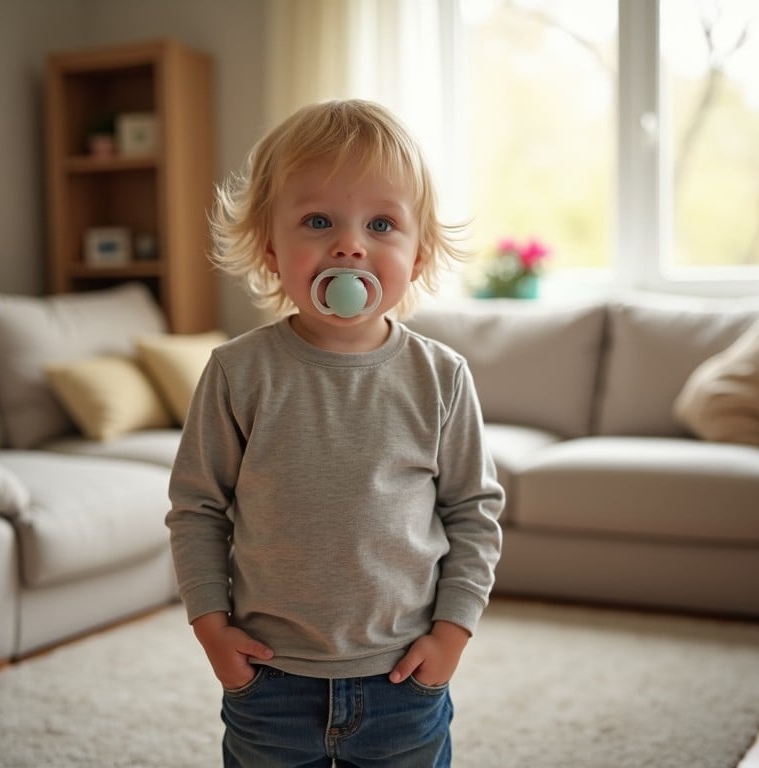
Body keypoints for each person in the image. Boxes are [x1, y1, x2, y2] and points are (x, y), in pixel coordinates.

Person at [166, 99, 504, 768]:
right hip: (270, 682)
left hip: (403, 680)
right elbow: (198, 508)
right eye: (318, 221)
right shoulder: (238, 372)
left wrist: (452, 634)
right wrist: (211, 629)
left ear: (418, 251)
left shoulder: (440, 376)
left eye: (381, 224)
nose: (350, 245)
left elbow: (473, 513)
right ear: (270, 246)